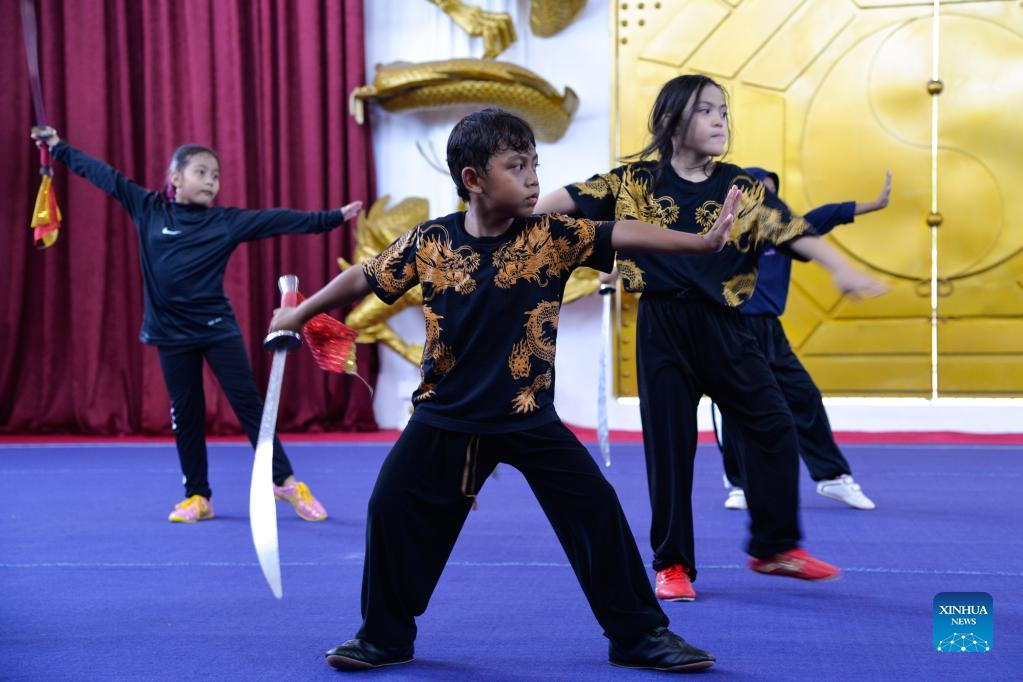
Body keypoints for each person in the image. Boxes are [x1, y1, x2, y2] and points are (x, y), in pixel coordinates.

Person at [269, 108, 739, 673]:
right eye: (517, 166)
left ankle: (638, 636)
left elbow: (621, 231)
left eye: (536, 164)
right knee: (391, 506)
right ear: (472, 179)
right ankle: (384, 636)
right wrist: (301, 312)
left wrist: (700, 242)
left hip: (528, 416)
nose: (535, 178)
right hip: (446, 414)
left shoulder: (553, 237)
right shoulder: (432, 240)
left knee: (596, 509)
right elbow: (366, 276)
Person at [537, 74, 886, 602]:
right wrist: (514, 215)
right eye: (706, 110)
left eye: (724, 110)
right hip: (662, 328)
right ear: (671, 122)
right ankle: (672, 564)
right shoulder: (634, 182)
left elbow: (795, 231)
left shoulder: (741, 187)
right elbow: (569, 198)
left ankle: (774, 547)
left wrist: (841, 269)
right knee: (670, 449)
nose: (721, 119)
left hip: (727, 327)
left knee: (772, 424)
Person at [31, 127, 361, 523]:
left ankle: (286, 483)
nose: (211, 181)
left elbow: (276, 220)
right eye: (202, 172)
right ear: (175, 179)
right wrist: (57, 148)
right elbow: (103, 175)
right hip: (169, 334)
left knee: (251, 408)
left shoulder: (224, 222)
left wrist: (331, 219)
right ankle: (198, 497)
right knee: (186, 413)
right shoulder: (147, 207)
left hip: (217, 328)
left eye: (216, 175)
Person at [717, 168, 891, 512]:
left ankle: (832, 477)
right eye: (756, 194)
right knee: (737, 407)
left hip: (769, 330)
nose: (764, 202)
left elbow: (827, 215)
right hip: (731, 326)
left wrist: (874, 204)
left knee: (804, 396)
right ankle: (739, 484)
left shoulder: (788, 233)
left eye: (770, 195)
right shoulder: (724, 236)